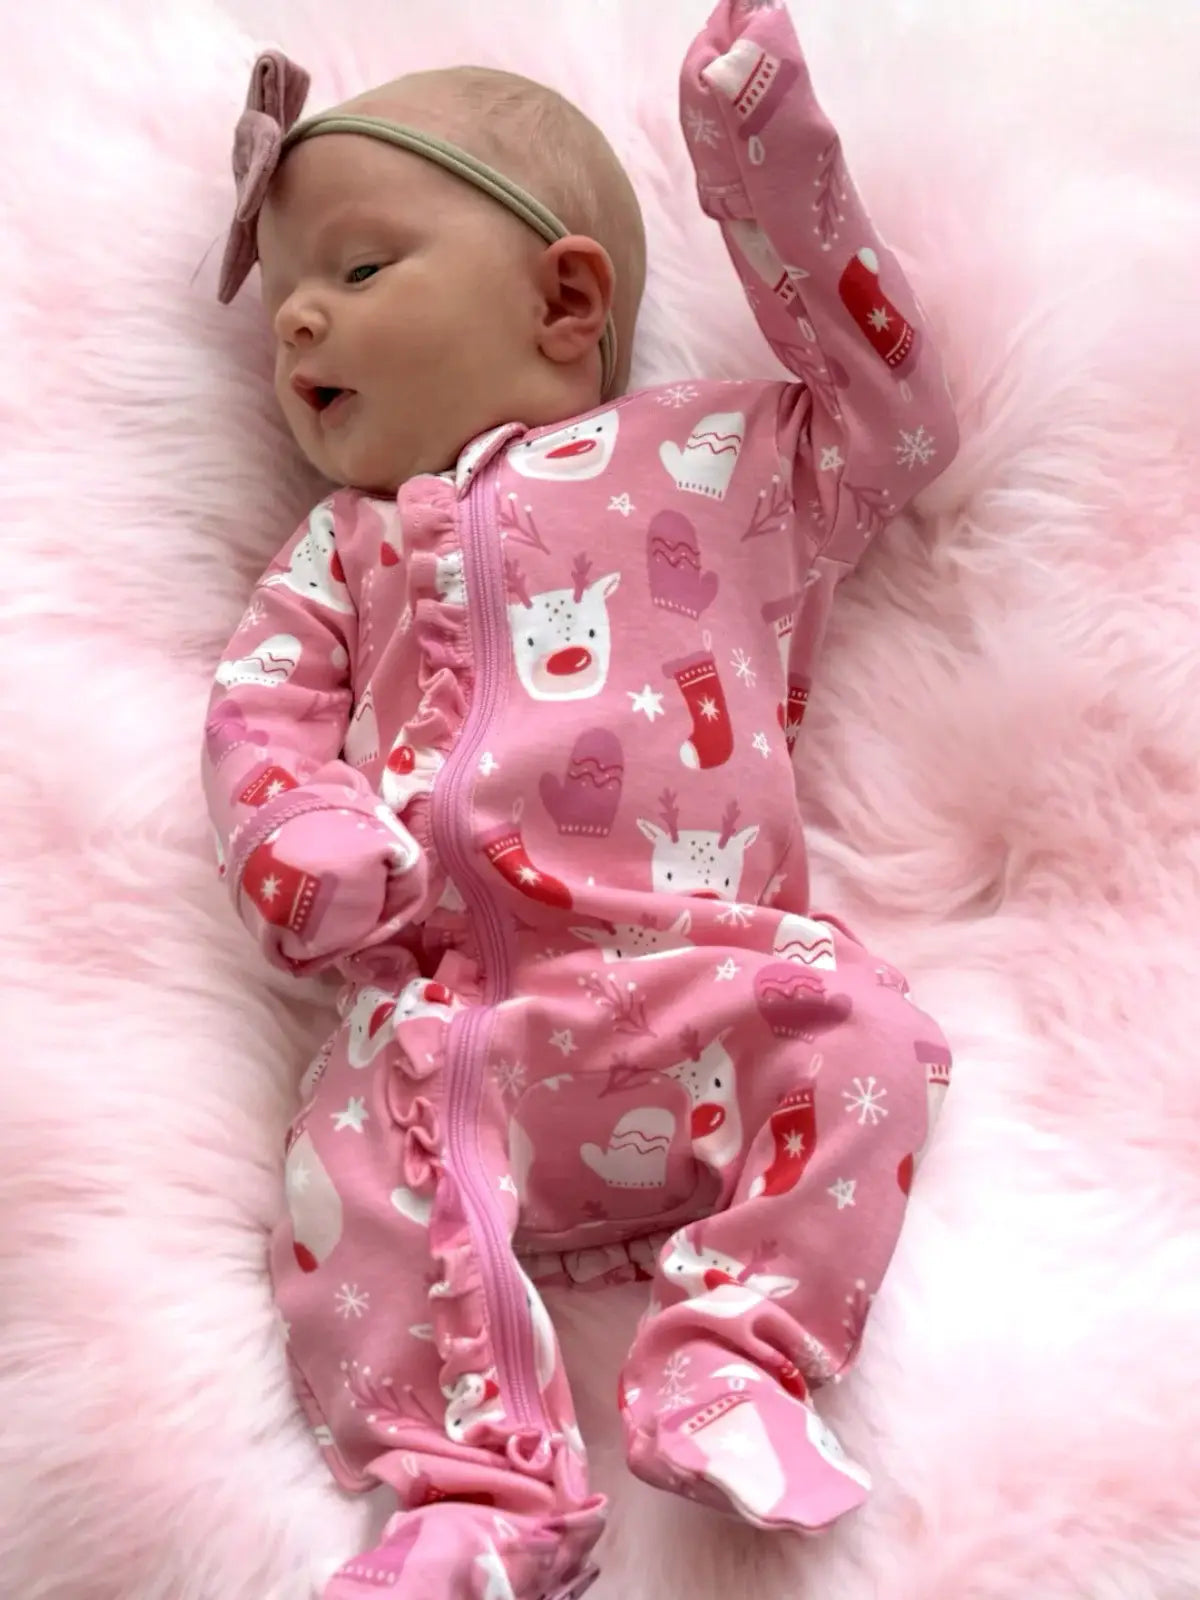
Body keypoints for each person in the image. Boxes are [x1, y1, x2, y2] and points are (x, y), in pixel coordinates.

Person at [204, 2, 959, 1595]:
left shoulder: (718, 462)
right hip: (453, 1028)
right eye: (280, 308)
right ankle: (477, 1501)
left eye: (356, 269)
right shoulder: (341, 549)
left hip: (695, 982)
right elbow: (261, 711)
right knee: (342, 1186)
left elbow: (897, 420)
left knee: (866, 1033)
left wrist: (767, 167)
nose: (299, 325)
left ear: (565, 300)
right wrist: (301, 833)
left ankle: (736, 1354)